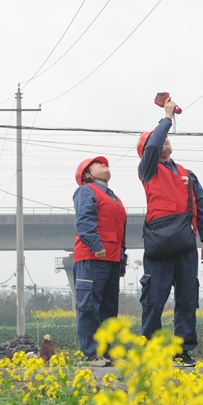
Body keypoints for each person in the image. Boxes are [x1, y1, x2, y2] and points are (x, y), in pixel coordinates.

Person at [137, 97, 203, 365]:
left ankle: (182, 349)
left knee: (187, 297)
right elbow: (154, 143)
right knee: (153, 299)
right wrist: (166, 119)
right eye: (158, 140)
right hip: (158, 244)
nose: (163, 141)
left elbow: (200, 207)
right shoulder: (148, 169)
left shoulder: (187, 174)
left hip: (184, 243)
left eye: (167, 138)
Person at [73, 156, 127, 367]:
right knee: (88, 306)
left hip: (112, 259)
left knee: (108, 308)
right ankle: (91, 354)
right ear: (87, 175)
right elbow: (84, 222)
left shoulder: (115, 198)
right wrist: (96, 245)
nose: (104, 164)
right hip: (92, 257)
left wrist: (121, 259)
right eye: (98, 164)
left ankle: (106, 351)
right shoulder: (86, 191)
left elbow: (120, 231)